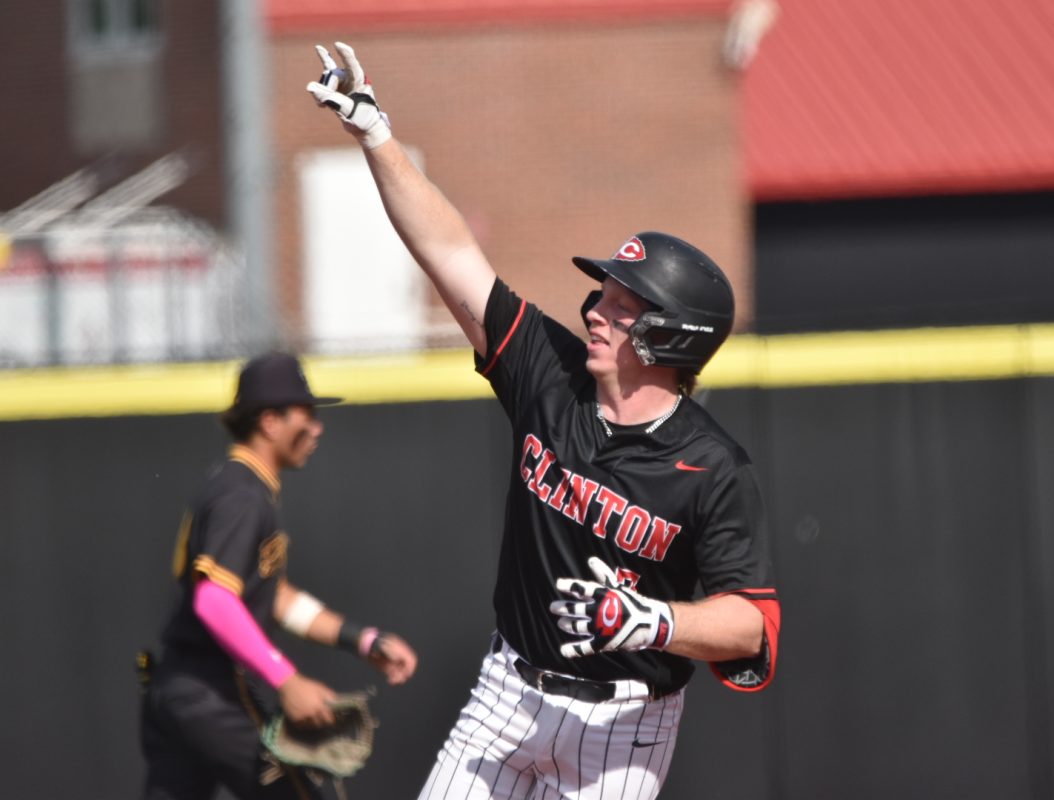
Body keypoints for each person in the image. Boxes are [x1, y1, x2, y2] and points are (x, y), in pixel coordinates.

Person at [307, 43, 781, 800]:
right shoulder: (549, 371)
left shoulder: (713, 467)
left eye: (625, 307)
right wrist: (376, 136)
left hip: (623, 731)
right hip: (508, 696)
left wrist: (653, 620)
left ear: (673, 336)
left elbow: (748, 626)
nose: (597, 310)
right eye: (604, 296)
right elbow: (451, 255)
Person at [139, 351, 419, 800]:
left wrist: (361, 639)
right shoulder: (242, 494)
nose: (316, 427)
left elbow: (278, 598)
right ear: (270, 421)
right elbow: (213, 599)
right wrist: (286, 679)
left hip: (176, 687)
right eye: (305, 414)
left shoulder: (239, 486)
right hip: (211, 688)